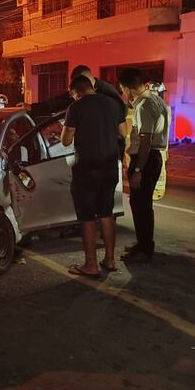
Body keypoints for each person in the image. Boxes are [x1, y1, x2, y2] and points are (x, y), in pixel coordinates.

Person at [61, 75, 127, 277]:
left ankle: (91, 265)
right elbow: (123, 133)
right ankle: (110, 259)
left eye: (72, 94)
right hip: (108, 166)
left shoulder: (76, 107)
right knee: (107, 213)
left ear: (75, 91)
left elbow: (65, 140)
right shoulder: (112, 104)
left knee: (87, 216)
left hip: (87, 169)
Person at [119, 68, 170, 261]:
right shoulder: (157, 100)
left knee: (140, 205)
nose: (124, 93)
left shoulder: (143, 106)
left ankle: (145, 248)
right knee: (142, 204)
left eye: (123, 89)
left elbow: (146, 140)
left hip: (146, 158)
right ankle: (143, 243)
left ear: (128, 88)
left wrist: (138, 170)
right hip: (154, 156)